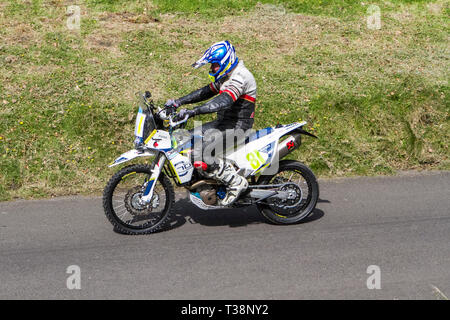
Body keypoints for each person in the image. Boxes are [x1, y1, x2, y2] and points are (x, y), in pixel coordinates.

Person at [165, 40, 257, 206]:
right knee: (187, 140)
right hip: (223, 123)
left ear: (225, 61)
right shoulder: (227, 75)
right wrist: (178, 102)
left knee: (201, 152)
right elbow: (206, 92)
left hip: (237, 128)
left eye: (214, 65)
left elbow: (224, 101)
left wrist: (194, 111)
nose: (212, 68)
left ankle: (236, 183)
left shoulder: (240, 77)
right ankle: (207, 181)